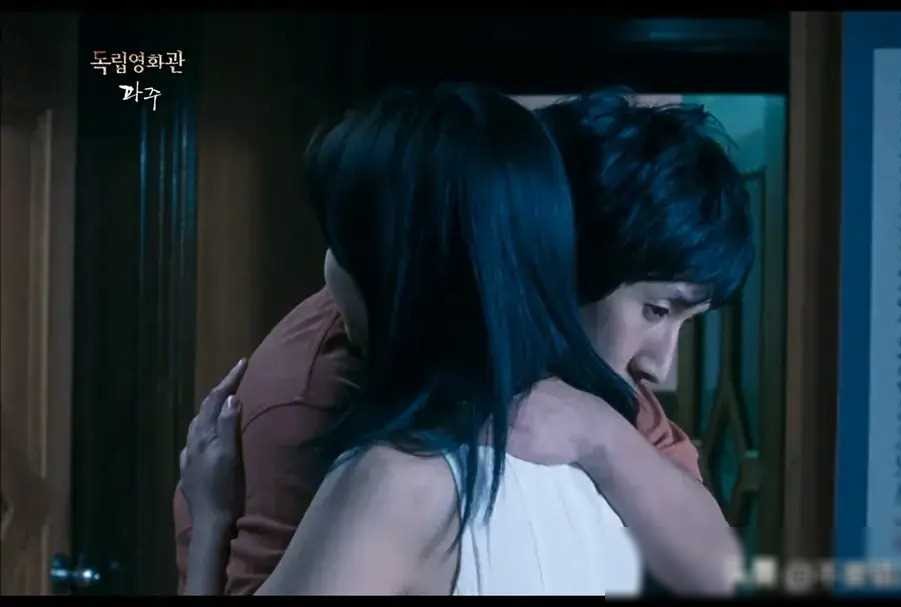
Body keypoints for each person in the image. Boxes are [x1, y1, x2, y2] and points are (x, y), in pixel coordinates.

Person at [175, 88, 753, 595]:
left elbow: (715, 567)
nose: (661, 362)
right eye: (656, 310)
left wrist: (208, 528)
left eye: (343, 248)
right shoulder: (319, 389)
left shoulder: (396, 477)